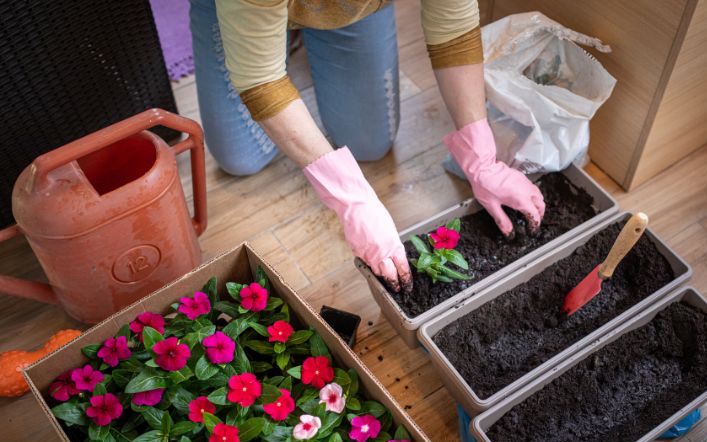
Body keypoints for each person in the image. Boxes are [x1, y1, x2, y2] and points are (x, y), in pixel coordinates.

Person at [190, 0, 545, 291]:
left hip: (351, 9)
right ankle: (270, 26)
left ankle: (315, 24)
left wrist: (481, 157)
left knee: (370, 143)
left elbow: (452, 26)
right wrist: (351, 199)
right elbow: (261, 78)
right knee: (241, 157)